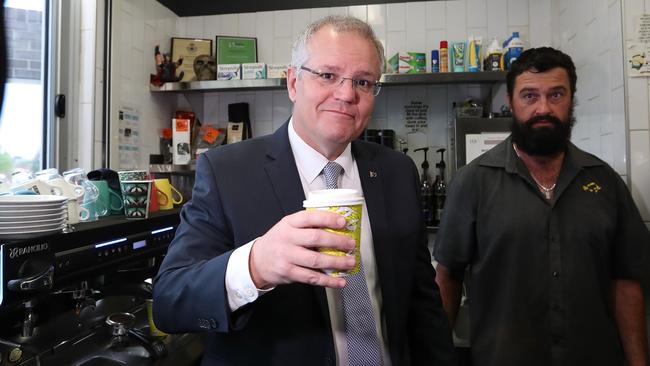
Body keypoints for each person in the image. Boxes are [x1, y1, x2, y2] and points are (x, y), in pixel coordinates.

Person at [153, 15, 455, 365]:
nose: (346, 94)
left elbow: (422, 301)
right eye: (328, 75)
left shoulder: (397, 171)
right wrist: (254, 265)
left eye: (363, 81)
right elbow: (169, 301)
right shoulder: (227, 171)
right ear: (293, 82)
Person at [434, 46, 650, 366]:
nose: (543, 108)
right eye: (530, 96)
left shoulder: (605, 182)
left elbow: (626, 282)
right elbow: (447, 279)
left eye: (557, 94)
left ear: (572, 99)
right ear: (511, 101)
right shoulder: (472, 182)